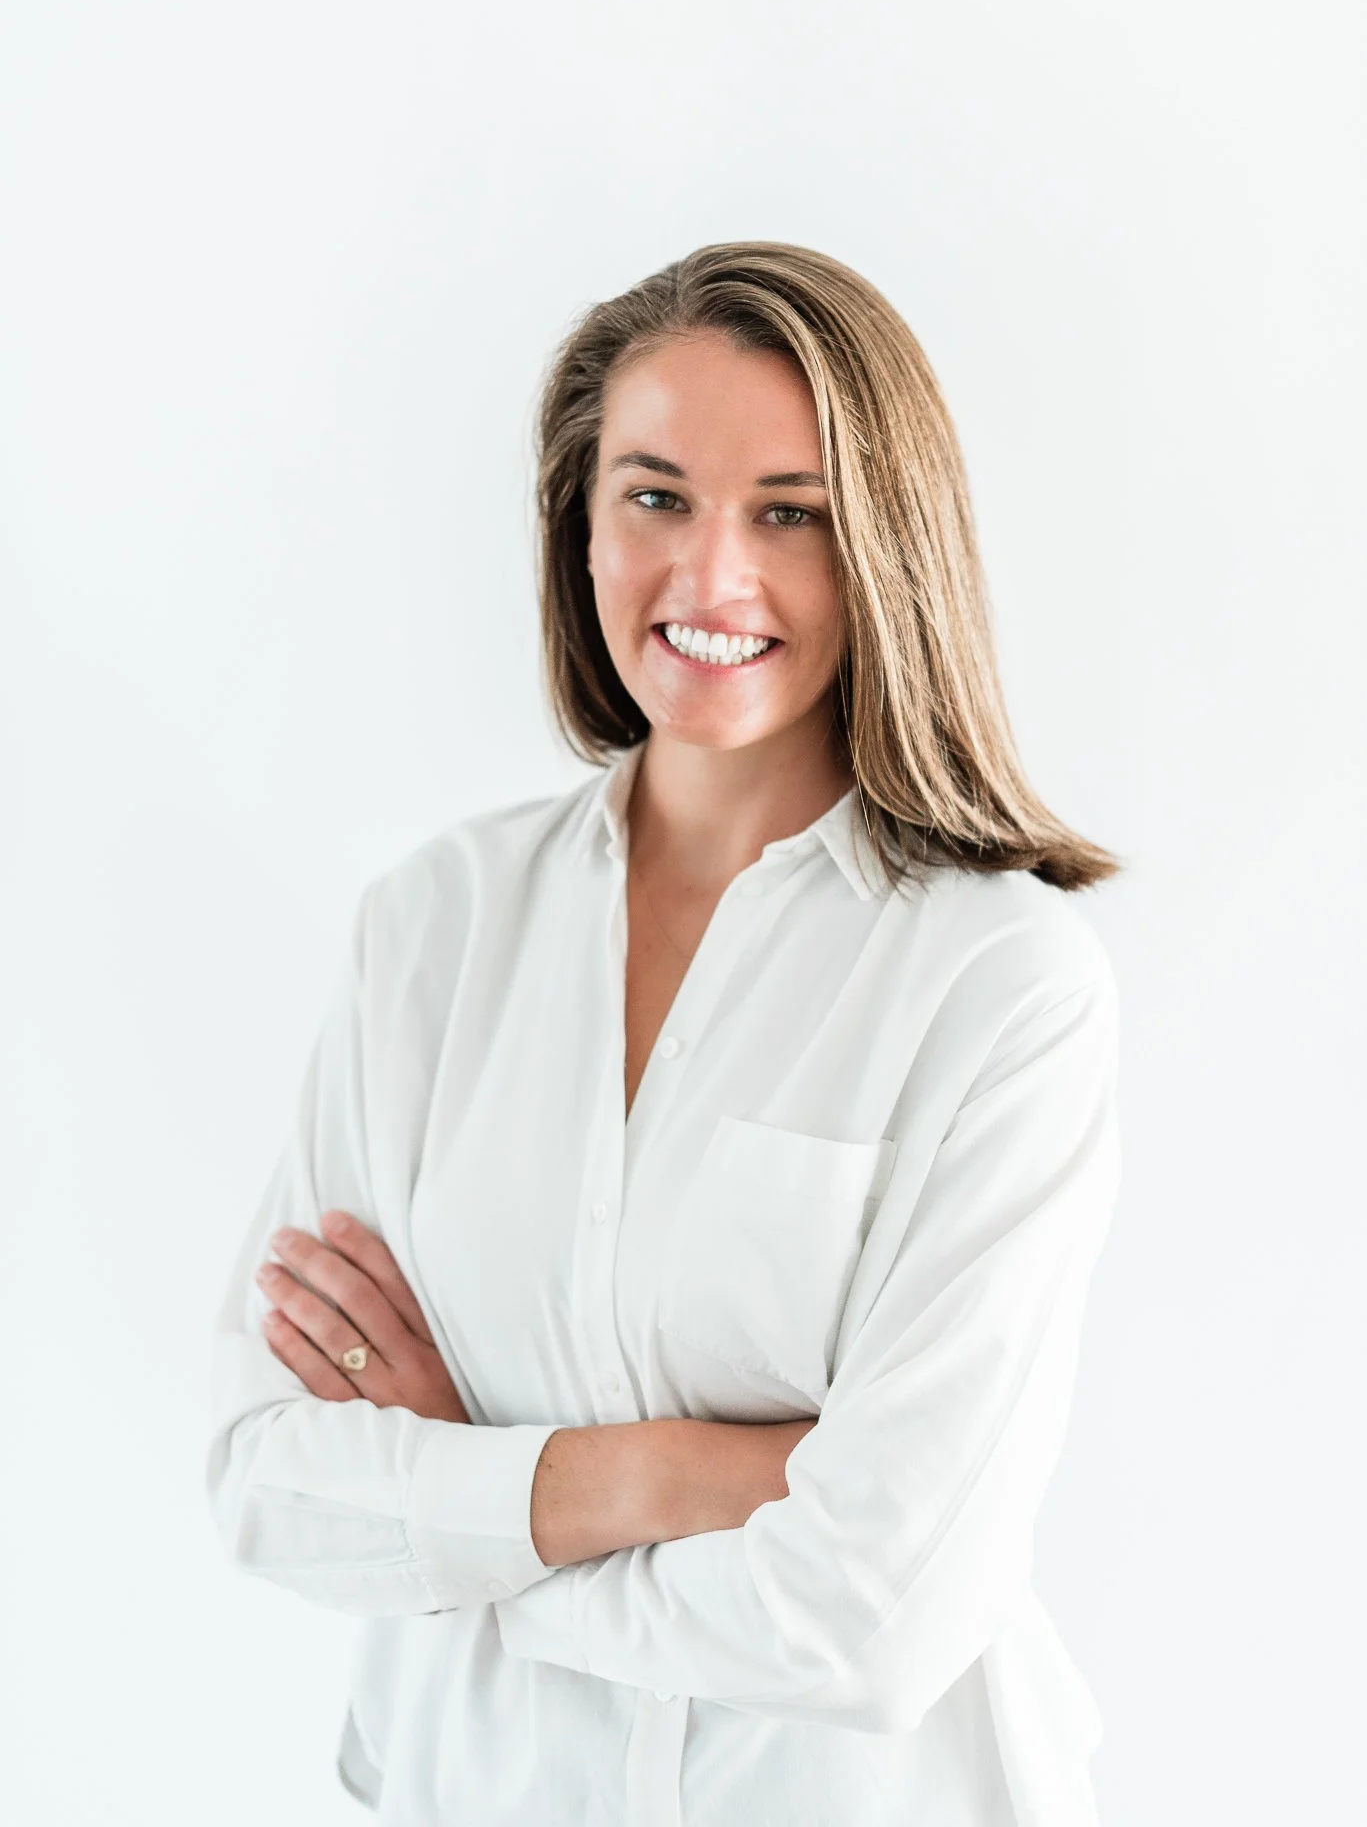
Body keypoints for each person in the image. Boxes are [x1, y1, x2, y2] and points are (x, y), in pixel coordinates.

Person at [205, 240, 1124, 1826]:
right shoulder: (434, 927)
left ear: (886, 547)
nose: (709, 580)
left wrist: (475, 1517)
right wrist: (678, 1475)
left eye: (790, 512)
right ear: (577, 518)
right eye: (653, 496)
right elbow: (271, 1483)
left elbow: (876, 1611)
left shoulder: (998, 985)